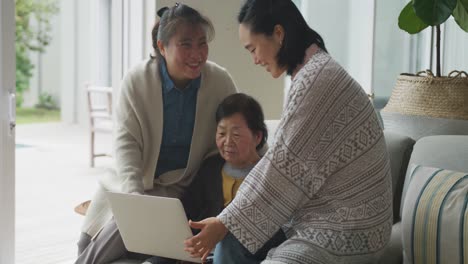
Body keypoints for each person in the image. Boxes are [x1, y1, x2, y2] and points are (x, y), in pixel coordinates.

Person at [184, 0, 393, 263]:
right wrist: (226, 223)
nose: (255, 60)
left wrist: (225, 220)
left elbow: (282, 168)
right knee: (231, 239)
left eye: (253, 49)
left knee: (235, 235)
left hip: (349, 229)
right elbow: (285, 162)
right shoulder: (312, 72)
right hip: (315, 219)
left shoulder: (317, 80)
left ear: (279, 34)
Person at [75, 3, 237, 264]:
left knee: (110, 251)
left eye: (202, 43)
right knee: (86, 243)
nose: (197, 54)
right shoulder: (137, 80)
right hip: (129, 184)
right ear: (162, 47)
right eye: (186, 44)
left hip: (179, 190)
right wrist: (134, 198)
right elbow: (126, 143)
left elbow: (241, 125)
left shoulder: (220, 81)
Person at [180, 93, 286, 264]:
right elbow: (185, 213)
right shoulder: (210, 168)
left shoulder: (269, 174)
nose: (227, 142)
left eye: (236, 135)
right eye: (221, 133)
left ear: (257, 137)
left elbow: (277, 233)